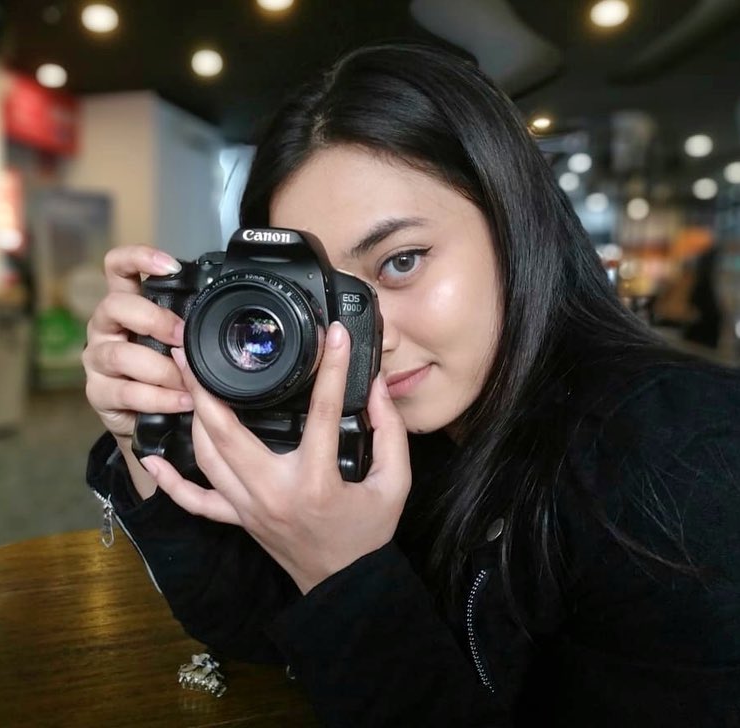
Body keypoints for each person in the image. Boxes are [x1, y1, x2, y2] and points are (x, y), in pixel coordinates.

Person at [82, 43, 740, 727]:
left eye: (401, 261)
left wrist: (344, 573)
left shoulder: (693, 465)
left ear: (516, 225)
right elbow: (258, 632)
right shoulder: (397, 427)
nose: (367, 333)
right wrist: (145, 433)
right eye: (322, 296)